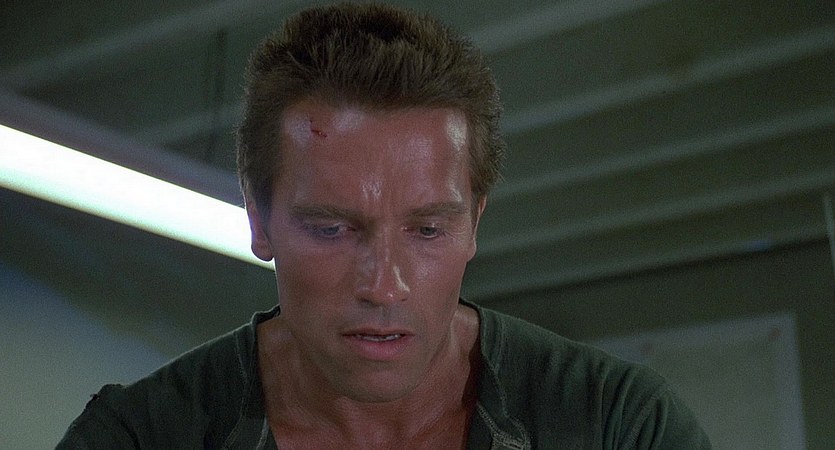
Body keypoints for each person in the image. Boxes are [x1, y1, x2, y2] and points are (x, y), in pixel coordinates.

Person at [58, 3, 710, 449]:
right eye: (331, 229)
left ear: (474, 224)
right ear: (258, 219)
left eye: (427, 231)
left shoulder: (617, 425)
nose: (384, 286)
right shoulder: (141, 436)